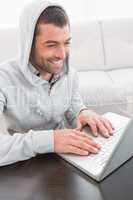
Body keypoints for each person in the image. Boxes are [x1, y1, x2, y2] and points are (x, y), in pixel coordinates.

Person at [0, 0, 114, 166]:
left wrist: (82, 112)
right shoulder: (4, 78)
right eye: (51, 45)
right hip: (22, 167)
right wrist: (51, 140)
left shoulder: (70, 74)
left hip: (66, 162)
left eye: (66, 43)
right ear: (28, 45)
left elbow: (73, 107)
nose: (62, 55)